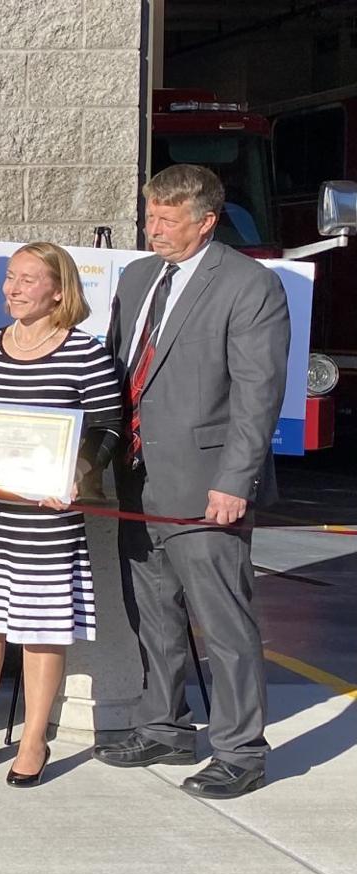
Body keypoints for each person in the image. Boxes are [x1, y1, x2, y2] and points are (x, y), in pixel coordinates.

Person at [94, 165, 289, 799]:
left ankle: (241, 751)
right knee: (153, 611)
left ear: (206, 222)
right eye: (149, 216)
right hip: (139, 479)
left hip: (208, 487)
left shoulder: (248, 285)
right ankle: (164, 726)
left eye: (167, 220)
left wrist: (235, 480)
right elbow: (120, 374)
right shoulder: (138, 277)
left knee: (223, 623)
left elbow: (258, 395)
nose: (153, 230)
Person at [0, 242, 123, 788]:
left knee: (41, 630)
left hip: (45, 518)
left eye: (26, 280)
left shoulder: (85, 354)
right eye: (10, 277)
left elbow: (108, 425)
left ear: (59, 291)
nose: (11, 288)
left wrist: (78, 472)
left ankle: (34, 737)